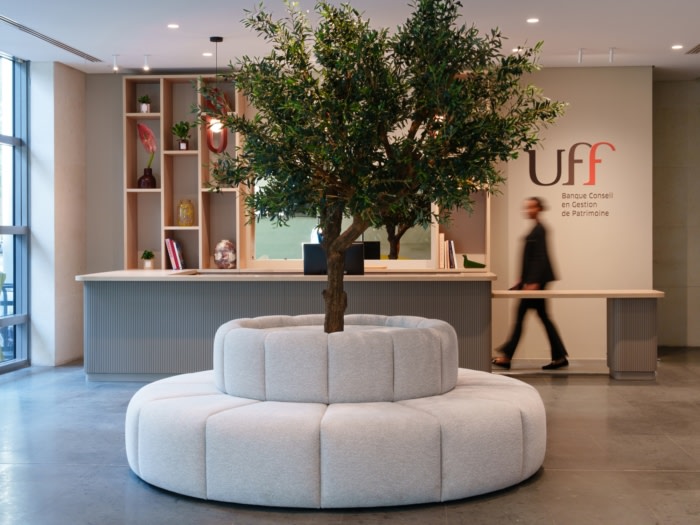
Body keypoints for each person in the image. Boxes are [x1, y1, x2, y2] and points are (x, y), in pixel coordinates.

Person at [492, 197, 569, 370]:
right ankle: (559, 356)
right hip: (532, 281)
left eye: (532, 207)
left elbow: (540, 257)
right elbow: (531, 258)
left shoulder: (540, 229)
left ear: (539, 208)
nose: (528, 210)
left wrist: (533, 282)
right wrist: (522, 279)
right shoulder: (536, 228)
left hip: (536, 282)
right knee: (542, 318)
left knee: (521, 317)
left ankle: (507, 357)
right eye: (527, 207)